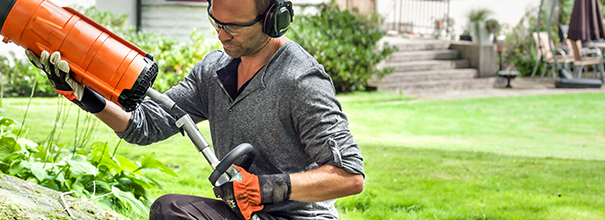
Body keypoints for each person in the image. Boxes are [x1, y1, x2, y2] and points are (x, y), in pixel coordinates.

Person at [26, 0, 365, 219]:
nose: (221, 35)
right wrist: (86, 96)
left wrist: (267, 187)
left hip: (298, 218)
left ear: (273, 21)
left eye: (232, 27)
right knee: (169, 210)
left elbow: (349, 176)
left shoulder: (300, 80)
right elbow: (145, 125)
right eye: (215, 22)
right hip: (245, 215)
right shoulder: (214, 70)